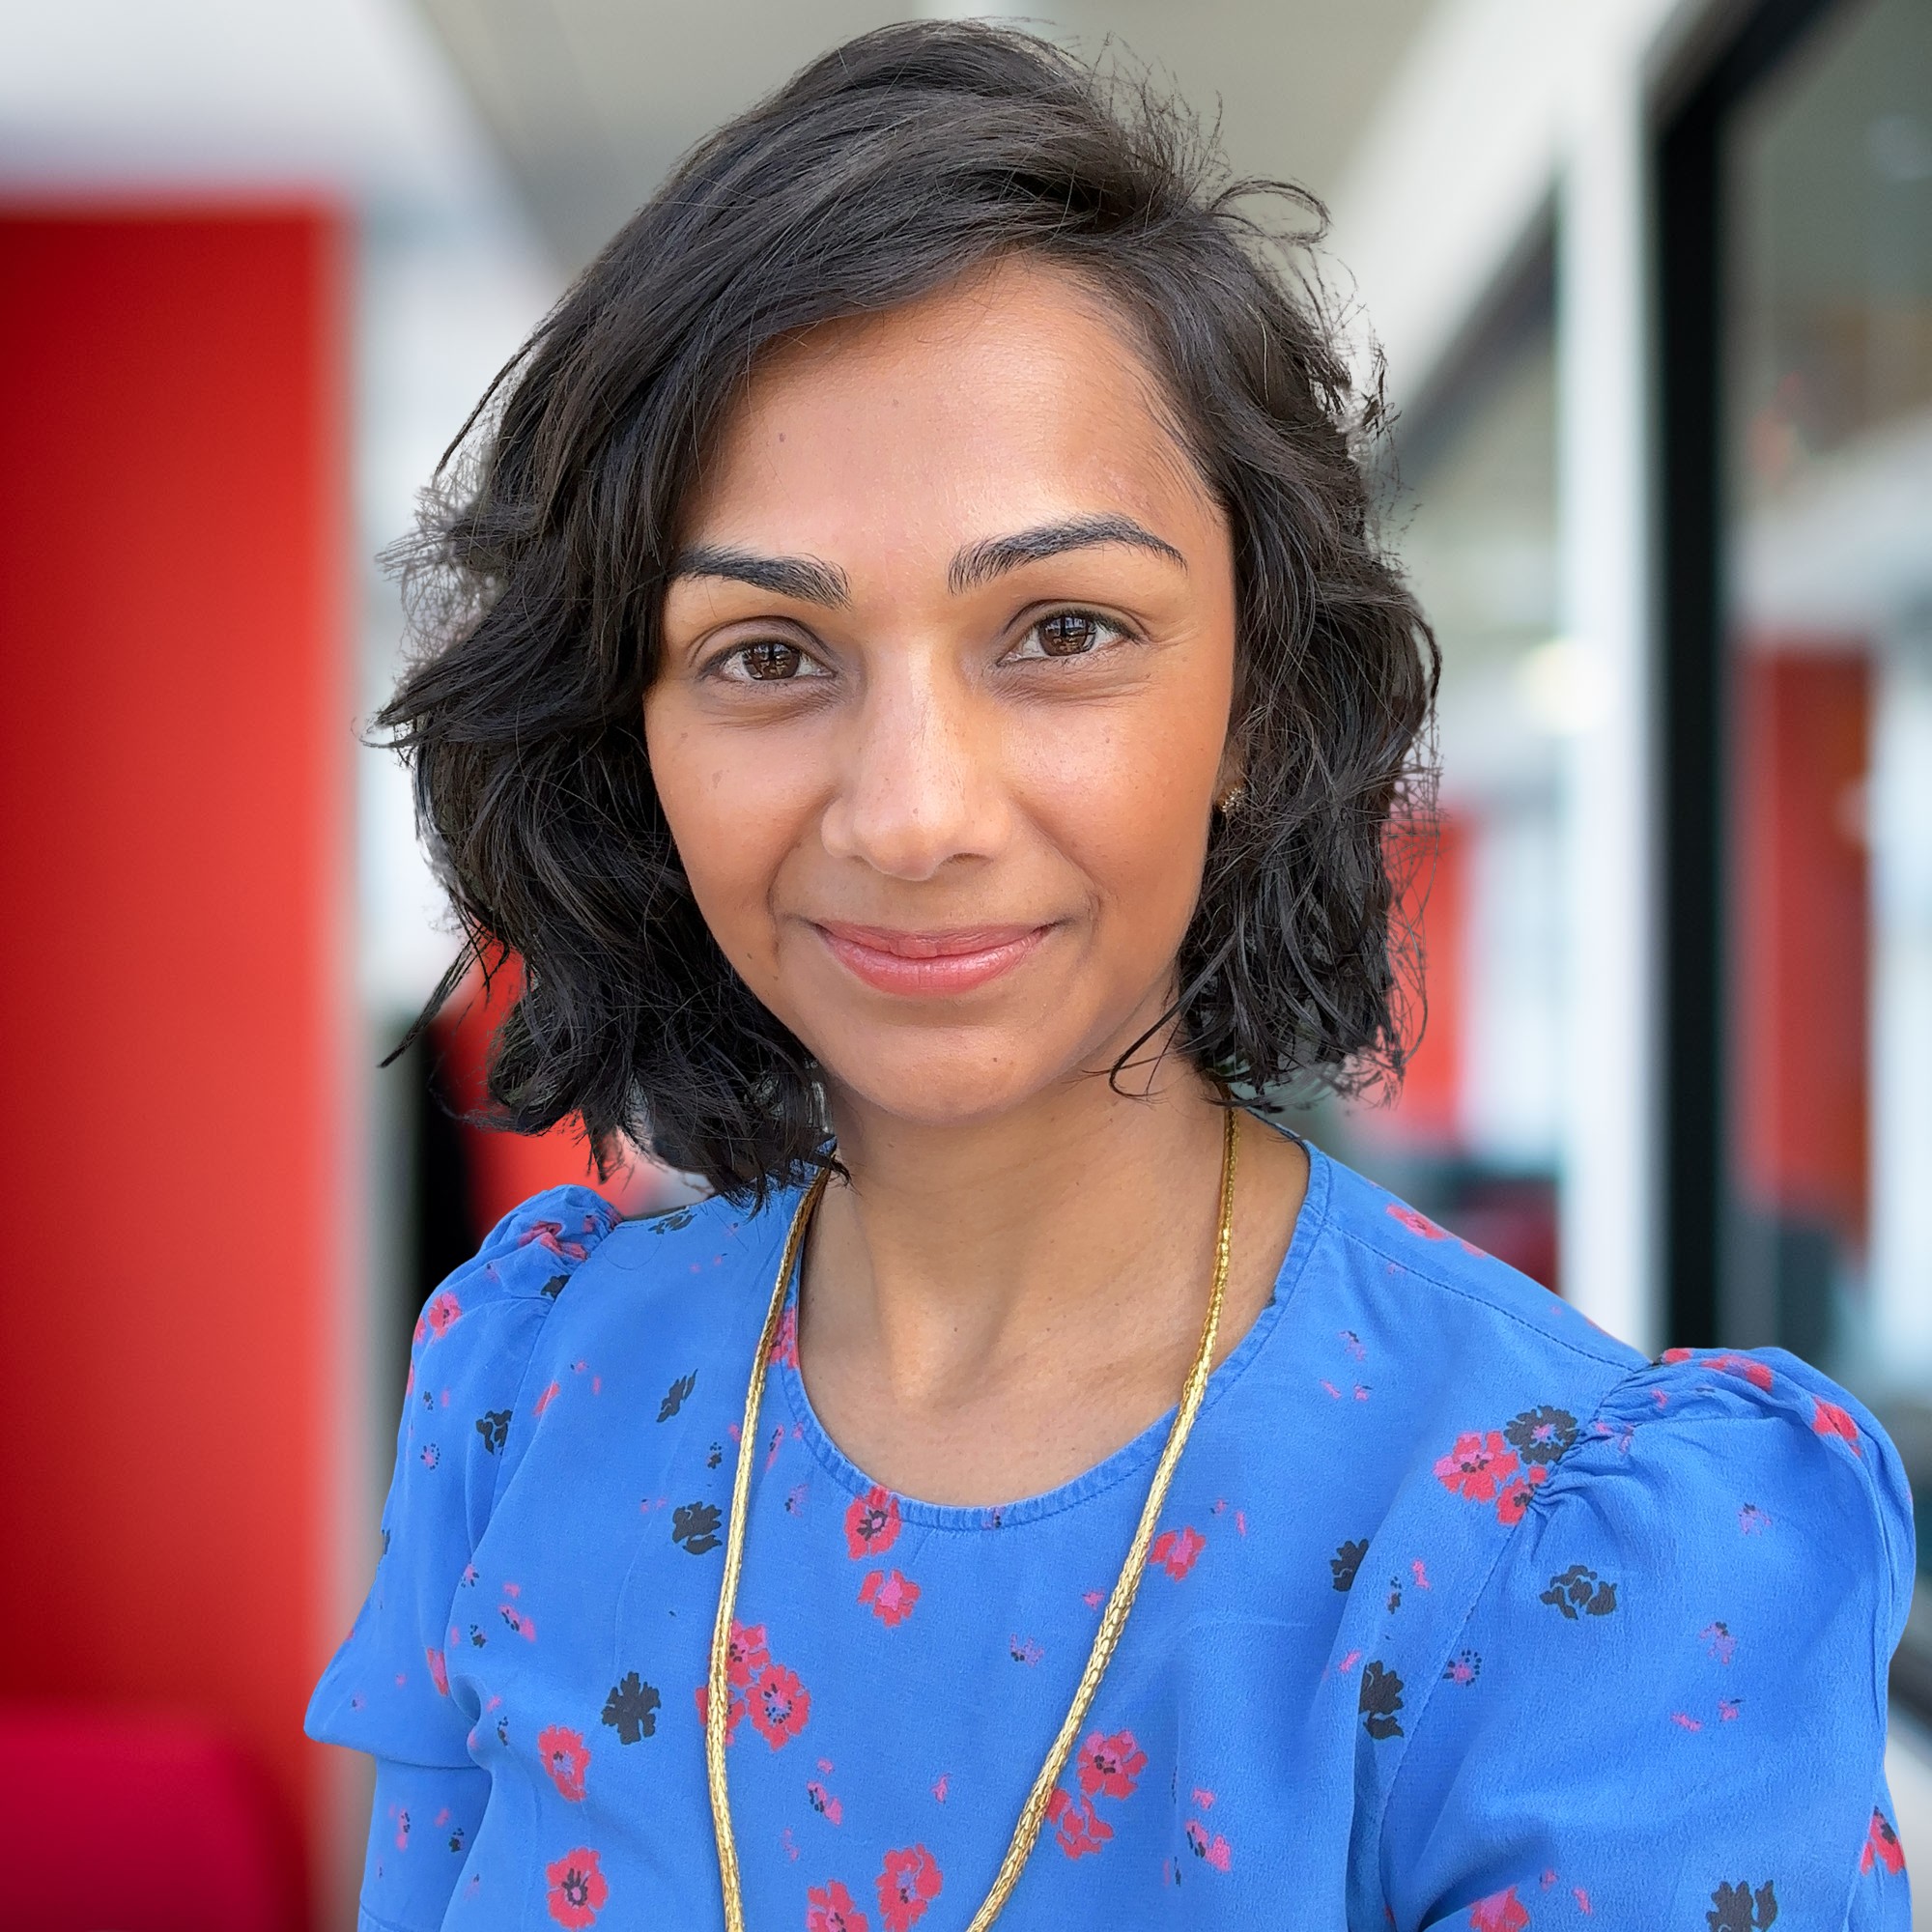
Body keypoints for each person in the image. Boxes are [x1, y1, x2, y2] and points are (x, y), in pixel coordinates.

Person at [307, 21, 1914, 1930]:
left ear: (1255, 702)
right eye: (766, 653)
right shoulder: (523, 1390)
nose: (912, 814)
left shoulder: (1579, 1565)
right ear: (631, 733)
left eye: (1061, 629)